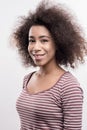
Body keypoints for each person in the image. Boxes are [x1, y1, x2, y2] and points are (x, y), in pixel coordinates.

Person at [12, 0, 87, 129]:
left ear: (58, 42)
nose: (36, 47)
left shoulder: (69, 87)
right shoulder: (28, 79)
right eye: (32, 40)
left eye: (44, 40)